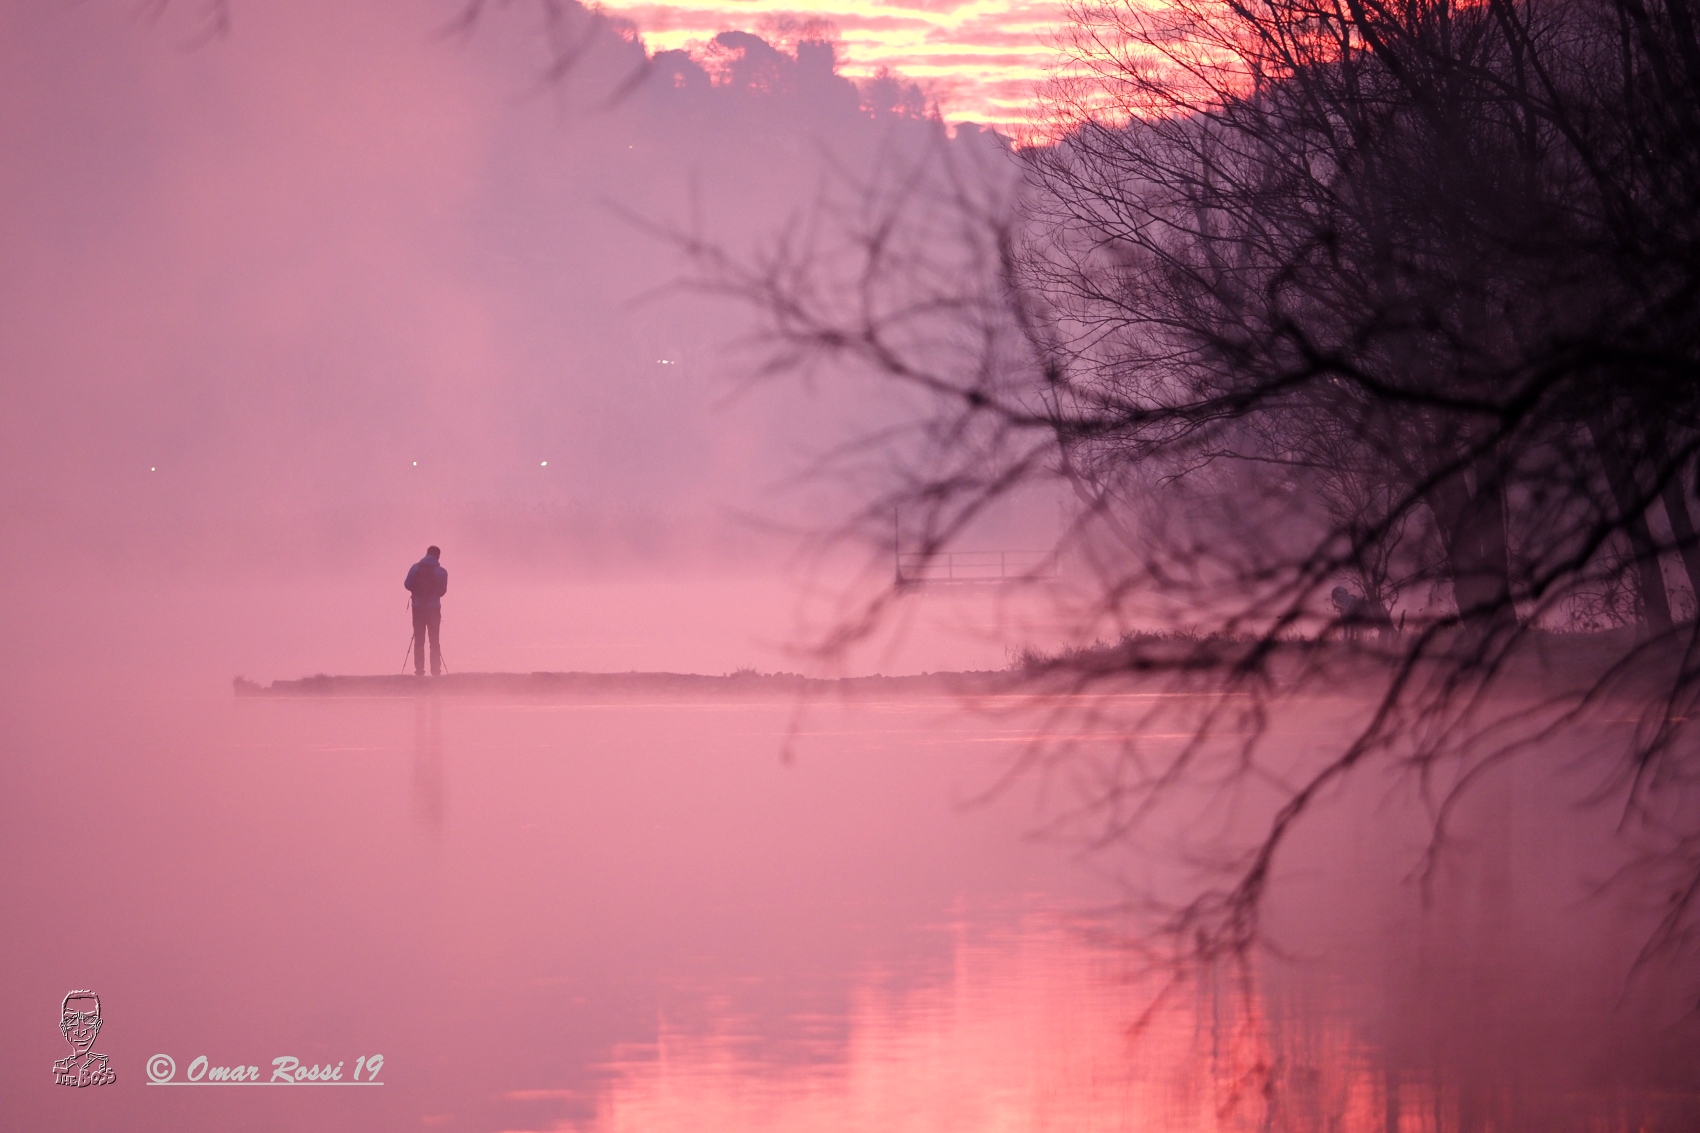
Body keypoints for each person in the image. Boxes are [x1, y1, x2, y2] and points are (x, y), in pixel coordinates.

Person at [54, 990, 115, 1087]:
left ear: (98, 1025)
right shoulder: (60, 1067)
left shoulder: (103, 1063)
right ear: (63, 1027)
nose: (80, 1030)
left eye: (89, 1019)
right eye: (71, 1020)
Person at [405, 546, 449, 676]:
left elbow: (407, 584)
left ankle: (419, 671)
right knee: (434, 640)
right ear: (438, 556)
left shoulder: (415, 568)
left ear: (427, 553)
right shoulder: (442, 571)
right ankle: (436, 670)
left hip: (418, 608)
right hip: (434, 608)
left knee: (419, 640)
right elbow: (443, 591)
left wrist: (418, 592)